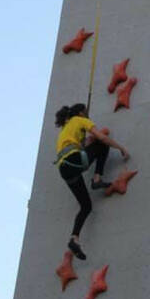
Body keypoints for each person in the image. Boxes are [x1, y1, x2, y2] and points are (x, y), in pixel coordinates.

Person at [54, 103, 130, 259]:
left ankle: (74, 238)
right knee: (102, 144)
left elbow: (79, 145)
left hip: (65, 169)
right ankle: (97, 178)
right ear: (82, 112)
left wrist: (85, 141)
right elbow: (101, 137)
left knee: (86, 206)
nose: (88, 116)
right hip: (74, 161)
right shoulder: (81, 120)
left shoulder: (66, 128)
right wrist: (121, 148)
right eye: (87, 113)